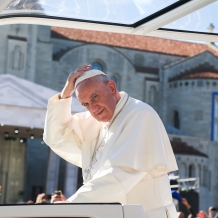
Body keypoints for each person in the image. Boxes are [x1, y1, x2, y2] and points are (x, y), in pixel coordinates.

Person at [44, 64, 178, 218]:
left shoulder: (139, 114)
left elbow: (119, 174)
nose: (93, 108)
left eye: (95, 97)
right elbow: (55, 137)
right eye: (85, 104)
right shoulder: (94, 122)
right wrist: (65, 94)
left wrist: (73, 205)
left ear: (112, 88)